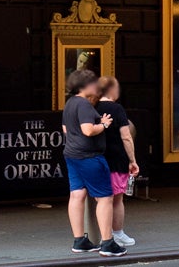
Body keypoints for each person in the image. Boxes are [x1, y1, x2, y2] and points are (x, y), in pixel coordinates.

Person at [60, 69, 123, 257]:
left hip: (72, 155)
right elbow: (88, 130)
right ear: (85, 85)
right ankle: (107, 243)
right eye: (94, 83)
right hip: (89, 156)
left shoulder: (69, 104)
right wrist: (103, 124)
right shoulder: (85, 105)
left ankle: (79, 240)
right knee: (105, 198)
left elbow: (65, 129)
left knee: (76, 195)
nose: (97, 87)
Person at [96, 76, 139, 250]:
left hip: (96, 158)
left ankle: (101, 235)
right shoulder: (117, 108)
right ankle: (117, 234)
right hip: (116, 159)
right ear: (112, 90)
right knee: (116, 199)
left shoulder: (91, 107)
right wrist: (133, 160)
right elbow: (126, 136)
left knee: (100, 200)